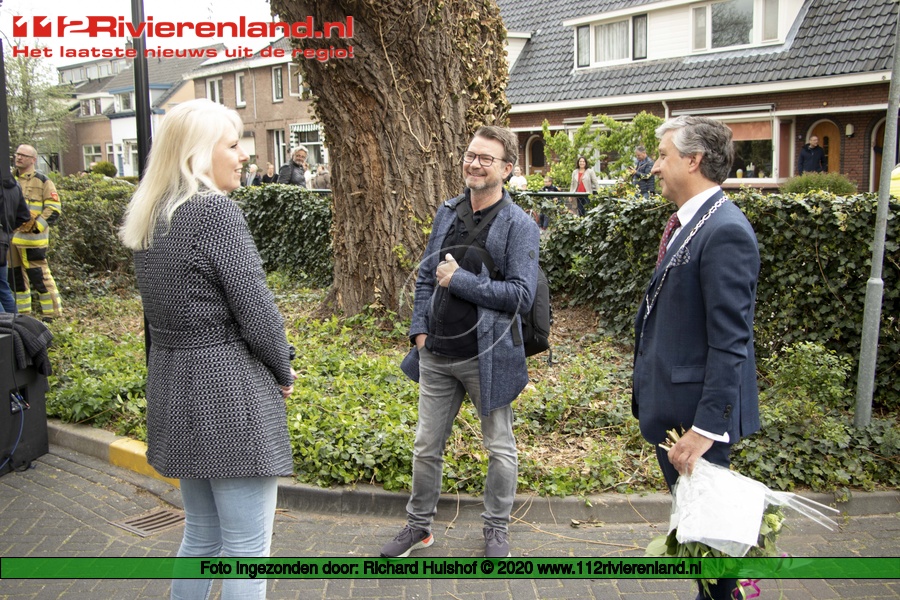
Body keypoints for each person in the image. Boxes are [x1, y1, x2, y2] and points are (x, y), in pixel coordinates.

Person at [118, 98, 297, 600]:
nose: (244, 155)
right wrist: (282, 368)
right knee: (246, 550)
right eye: (233, 145)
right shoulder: (213, 212)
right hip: (227, 393)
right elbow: (256, 309)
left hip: (174, 386)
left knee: (201, 536)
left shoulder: (152, 214)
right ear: (198, 153)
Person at [383, 125, 540, 559]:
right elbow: (424, 275)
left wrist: (460, 280)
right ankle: (419, 528)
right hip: (436, 352)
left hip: (487, 357)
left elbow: (521, 296)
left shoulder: (519, 225)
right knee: (426, 446)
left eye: (486, 158)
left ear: (507, 169)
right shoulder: (447, 212)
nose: (475, 163)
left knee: (500, 449)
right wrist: (419, 332)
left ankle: (496, 529)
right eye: (471, 155)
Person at [632, 116, 760, 600]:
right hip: (677, 415)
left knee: (713, 544)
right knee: (701, 538)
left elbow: (731, 341)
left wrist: (705, 429)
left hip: (697, 425)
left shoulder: (724, 230)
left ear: (693, 160)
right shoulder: (695, 222)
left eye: (663, 156)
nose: (654, 167)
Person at [11, 144, 63, 319]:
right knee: (16, 279)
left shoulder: (43, 181)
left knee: (40, 277)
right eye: (17, 154)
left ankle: (52, 314)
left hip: (33, 240)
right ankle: (23, 315)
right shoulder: (9, 180)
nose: (19, 157)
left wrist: (36, 226)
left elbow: (54, 208)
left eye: (23, 155)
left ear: (33, 160)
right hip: (11, 239)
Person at [0, 175, 32, 313]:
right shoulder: (14, 185)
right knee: (3, 288)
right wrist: (7, 232)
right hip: (3, 242)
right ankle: (15, 324)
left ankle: (3, 324)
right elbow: (24, 216)